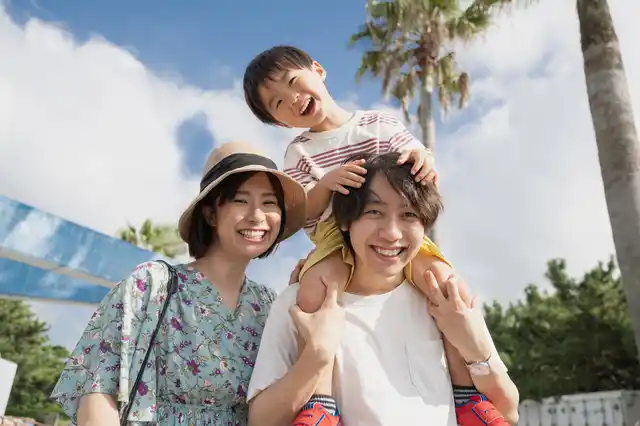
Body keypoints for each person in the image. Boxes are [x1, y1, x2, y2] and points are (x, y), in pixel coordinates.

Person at [243, 45, 481, 421]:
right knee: (314, 290)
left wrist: (424, 158)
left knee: (446, 284)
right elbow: (303, 213)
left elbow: (417, 161)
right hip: (334, 237)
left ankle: (468, 395)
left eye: (293, 82)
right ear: (280, 122)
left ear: (318, 70)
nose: (293, 99)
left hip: (394, 230)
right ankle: (320, 402)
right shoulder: (299, 154)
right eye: (278, 103)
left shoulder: (377, 124)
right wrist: (327, 185)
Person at [246, 152, 520, 426]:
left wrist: (475, 350)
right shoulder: (299, 304)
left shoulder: (445, 300)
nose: (392, 233)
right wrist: (316, 356)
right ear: (346, 221)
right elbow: (261, 421)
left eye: (408, 214)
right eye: (374, 212)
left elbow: (507, 412)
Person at [50, 141, 306, 425]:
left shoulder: (268, 305)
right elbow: (99, 391)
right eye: (240, 200)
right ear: (210, 213)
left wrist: (304, 298)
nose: (257, 216)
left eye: (269, 203)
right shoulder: (151, 284)